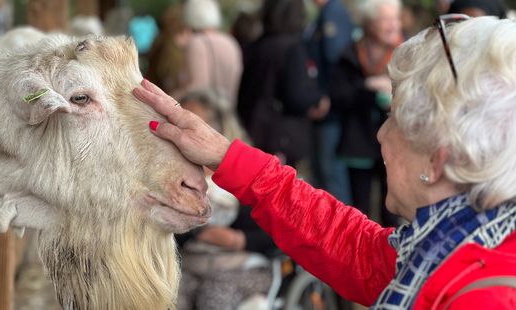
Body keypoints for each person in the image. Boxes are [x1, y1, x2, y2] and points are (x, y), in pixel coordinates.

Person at [136, 15, 516, 308]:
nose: (381, 136)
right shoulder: (449, 244)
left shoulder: (480, 295)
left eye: (394, 120)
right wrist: (224, 155)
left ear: (437, 160)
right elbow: (356, 249)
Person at [174, 89, 277, 310]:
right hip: (194, 264)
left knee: (215, 294)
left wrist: (239, 240)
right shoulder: (176, 176)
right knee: (169, 294)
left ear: (217, 130)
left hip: (248, 266)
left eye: (192, 123)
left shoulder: (247, 174)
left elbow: (279, 233)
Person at [329, 0, 403, 226]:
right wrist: (368, 88)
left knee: (393, 208)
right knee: (359, 210)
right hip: (358, 142)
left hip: (395, 143)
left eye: (395, 19)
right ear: (370, 23)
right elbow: (338, 95)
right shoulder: (350, 53)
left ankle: (392, 256)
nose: (393, 25)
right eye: (385, 20)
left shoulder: (406, 52)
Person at [237, 0, 330, 167]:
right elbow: (296, 96)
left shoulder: (258, 45)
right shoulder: (292, 48)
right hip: (281, 137)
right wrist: (318, 98)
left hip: (255, 129)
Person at [305, 0, 354, 203]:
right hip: (322, 105)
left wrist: (324, 95)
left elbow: (335, 59)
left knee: (330, 171)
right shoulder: (322, 14)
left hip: (330, 109)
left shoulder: (333, 13)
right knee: (321, 170)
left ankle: (343, 232)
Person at [173, 0, 243, 108]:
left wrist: (170, 98)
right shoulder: (231, 42)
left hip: (206, 114)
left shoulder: (197, 42)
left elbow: (197, 86)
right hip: (228, 111)